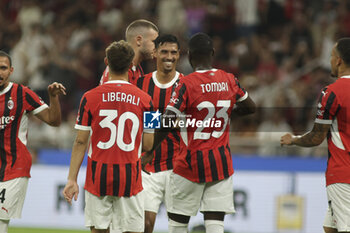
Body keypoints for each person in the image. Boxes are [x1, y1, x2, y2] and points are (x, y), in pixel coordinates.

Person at [148, 33, 256, 233]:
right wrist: (224, 116)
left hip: (189, 163)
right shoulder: (229, 79)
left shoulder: (186, 83)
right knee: (215, 223)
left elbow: (168, 120)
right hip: (221, 162)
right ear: (213, 53)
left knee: (178, 222)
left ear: (188, 56)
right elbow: (251, 107)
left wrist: (149, 149)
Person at [62, 40, 154, 233]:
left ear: (106, 62)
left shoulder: (89, 97)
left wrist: (72, 179)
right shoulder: (147, 100)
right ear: (131, 65)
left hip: (98, 176)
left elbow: (80, 140)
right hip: (131, 176)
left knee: (99, 229)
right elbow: (148, 144)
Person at [281, 38, 350, 233]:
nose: (329, 60)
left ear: (338, 61)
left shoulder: (332, 92)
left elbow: (316, 137)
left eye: (331, 56)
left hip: (343, 174)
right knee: (330, 228)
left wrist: (293, 140)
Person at [0, 51, 66, 233]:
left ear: (11, 70)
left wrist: (53, 97)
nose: (0, 72)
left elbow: (54, 121)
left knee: (0, 220)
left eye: (3, 68)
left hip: (14, 167)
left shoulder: (21, 93)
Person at [137, 34, 183, 233]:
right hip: (149, 168)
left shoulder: (187, 85)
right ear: (155, 53)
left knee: (178, 226)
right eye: (164, 51)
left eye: (173, 52)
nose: (169, 57)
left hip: (179, 167)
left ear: (179, 55)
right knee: (145, 225)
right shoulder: (141, 85)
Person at [99, 19, 159, 85]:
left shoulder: (137, 69)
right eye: (153, 41)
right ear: (139, 40)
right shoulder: (120, 67)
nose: (156, 47)